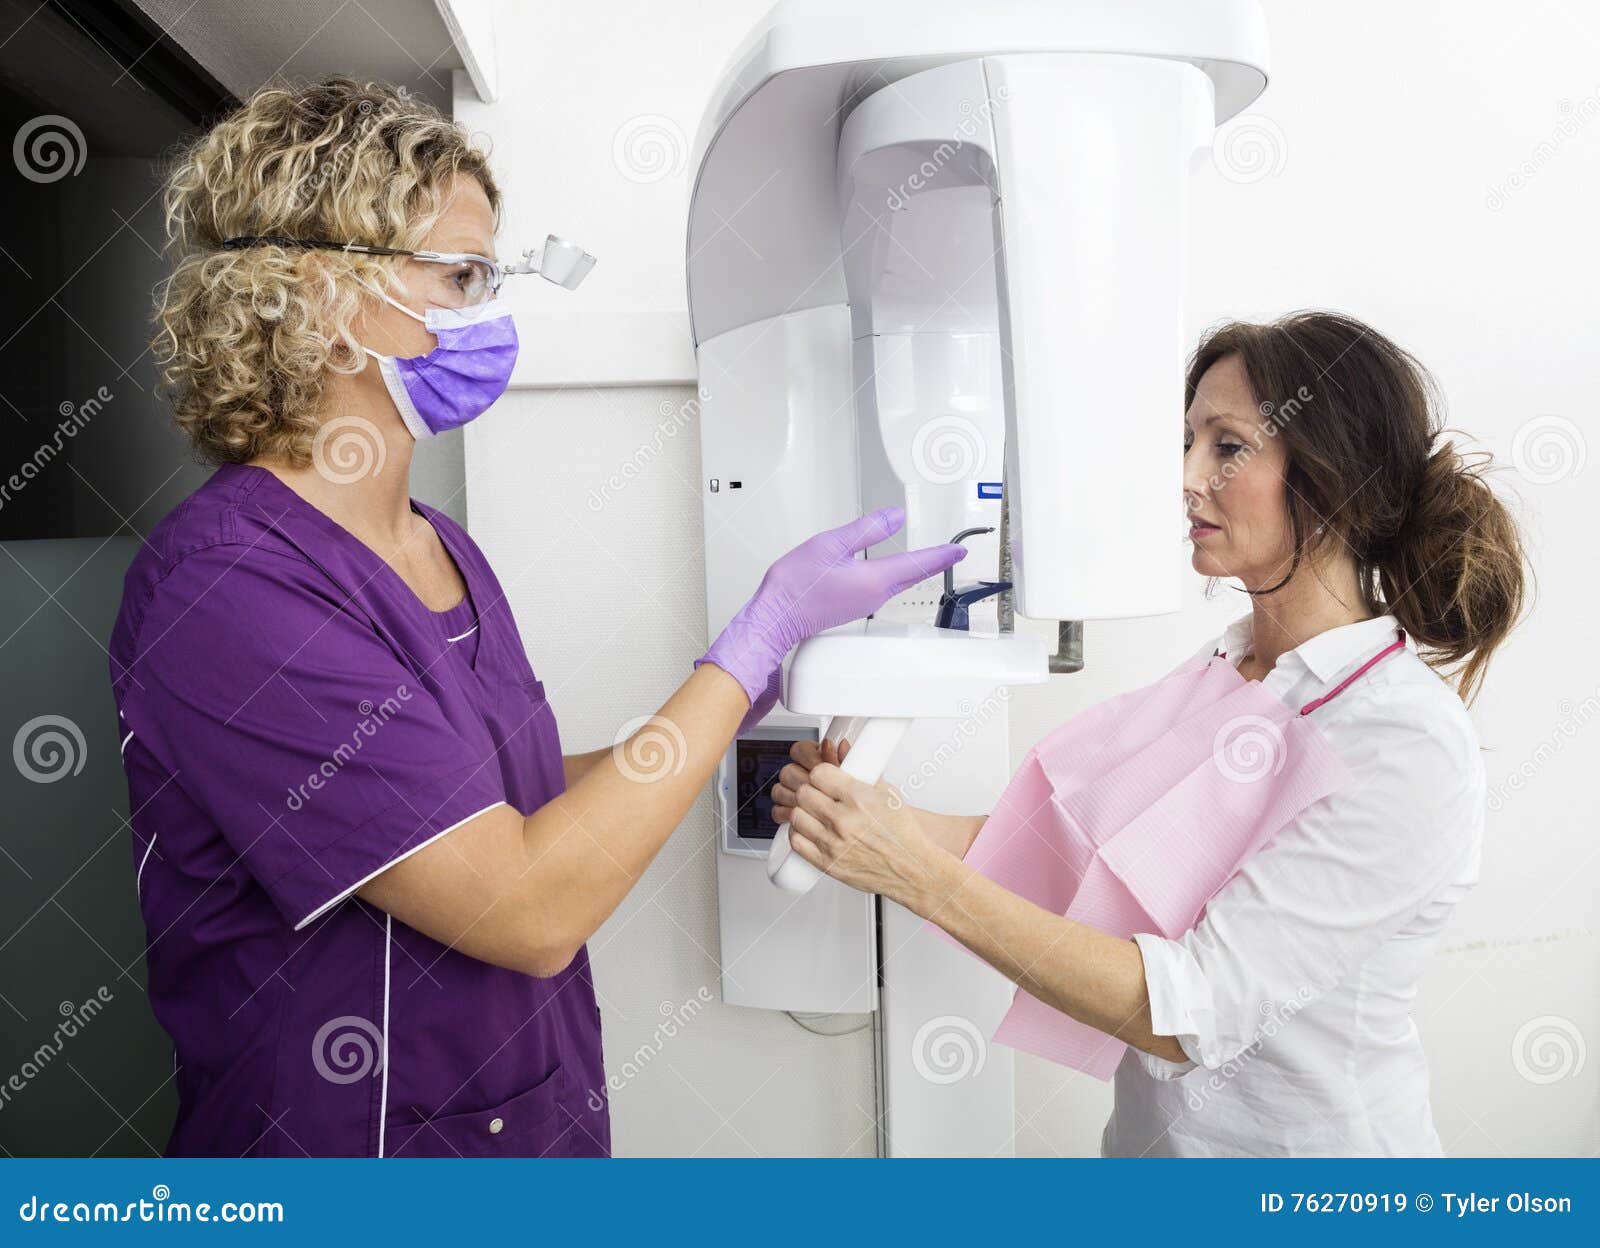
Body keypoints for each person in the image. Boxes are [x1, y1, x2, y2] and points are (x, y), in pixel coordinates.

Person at [109, 77, 965, 1157]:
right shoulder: (231, 588)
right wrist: (745, 653)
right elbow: (520, 904)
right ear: (319, 300)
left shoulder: (436, 547)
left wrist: (742, 714)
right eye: (462, 278)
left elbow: (505, 798)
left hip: (521, 1127)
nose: (492, 313)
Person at [773, 311, 1527, 1156]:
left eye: (1227, 447)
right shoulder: (1229, 667)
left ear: (1334, 479)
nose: (1185, 478)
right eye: (1187, 442)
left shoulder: (1401, 740)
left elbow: (1192, 1010)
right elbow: (1081, 860)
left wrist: (912, 874)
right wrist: (884, 824)